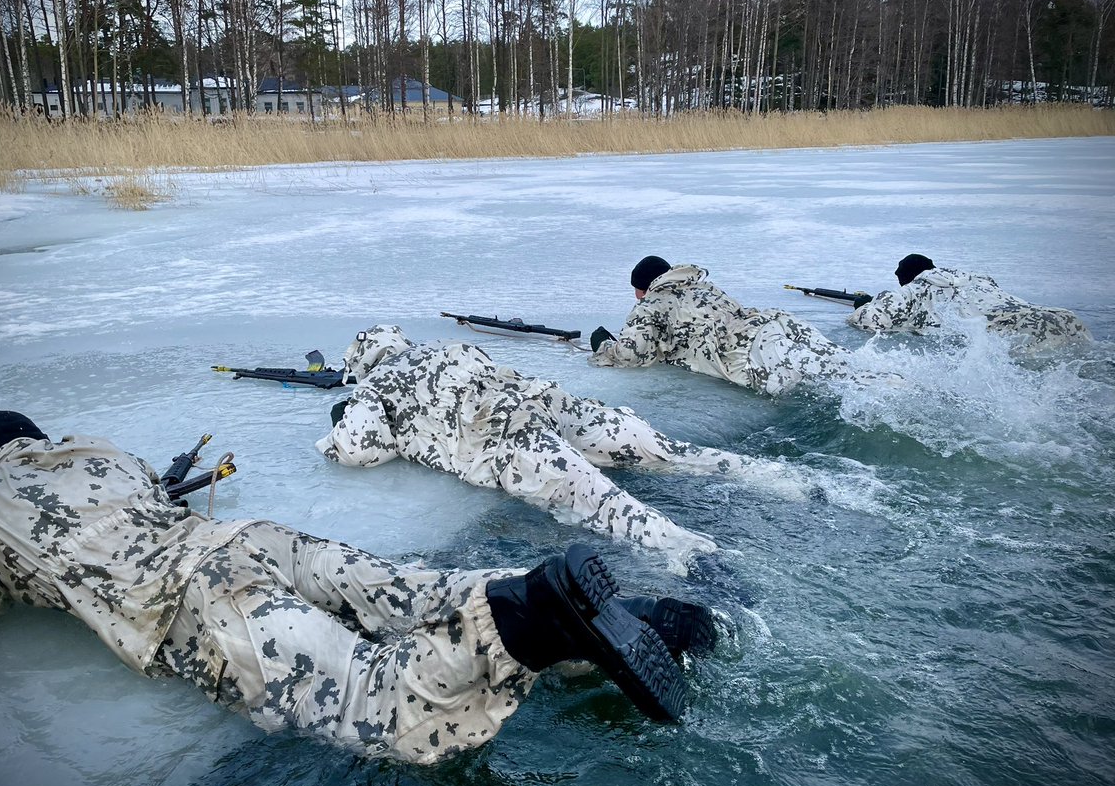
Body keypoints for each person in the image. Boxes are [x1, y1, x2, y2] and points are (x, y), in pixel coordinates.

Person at [0, 411, 725, 764]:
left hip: (195, 604)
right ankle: (614, 610)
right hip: (260, 540)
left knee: (368, 702)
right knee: (413, 589)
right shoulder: (95, 450)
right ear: (33, 434)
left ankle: (527, 624)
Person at [318, 326, 809, 567]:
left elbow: (362, 447)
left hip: (511, 442)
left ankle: (703, 562)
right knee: (670, 451)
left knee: (614, 511)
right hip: (555, 404)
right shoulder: (449, 348)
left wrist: (336, 430)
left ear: (363, 361)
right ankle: (787, 482)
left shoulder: (376, 386)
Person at [589, 256, 855, 396]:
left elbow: (630, 355)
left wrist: (602, 345)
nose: (636, 297)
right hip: (779, 325)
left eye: (636, 290)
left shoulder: (652, 303)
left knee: (831, 389)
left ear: (644, 287)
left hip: (751, 354)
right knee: (851, 371)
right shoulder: (704, 287)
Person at [847, 254, 1092, 351]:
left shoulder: (914, 290)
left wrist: (865, 304)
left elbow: (873, 321)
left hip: (1015, 333)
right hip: (1062, 317)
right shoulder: (975, 279)